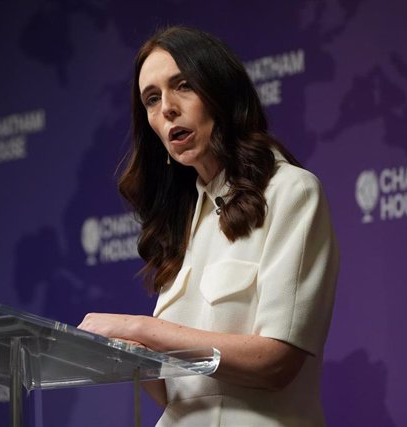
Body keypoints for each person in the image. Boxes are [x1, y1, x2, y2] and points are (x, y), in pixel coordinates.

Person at [78, 26, 339, 426]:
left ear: (221, 92)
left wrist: (141, 328)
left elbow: (276, 363)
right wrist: (128, 350)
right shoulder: (185, 219)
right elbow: (174, 390)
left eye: (182, 85)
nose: (166, 108)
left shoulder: (292, 192)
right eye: (151, 98)